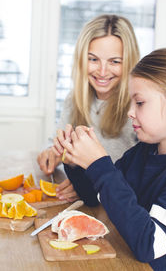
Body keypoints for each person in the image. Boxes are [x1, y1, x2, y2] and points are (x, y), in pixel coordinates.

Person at [53, 48, 166, 271]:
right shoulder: (143, 151)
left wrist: (99, 165)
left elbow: (150, 244)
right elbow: (96, 196)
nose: (130, 112)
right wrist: (76, 161)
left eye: (139, 103)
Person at [38, 14, 140, 202]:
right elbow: (55, 142)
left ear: (129, 62)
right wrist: (51, 152)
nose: (102, 72)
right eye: (93, 59)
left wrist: (90, 187)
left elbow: (142, 176)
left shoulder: (138, 108)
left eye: (115, 61)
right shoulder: (73, 99)